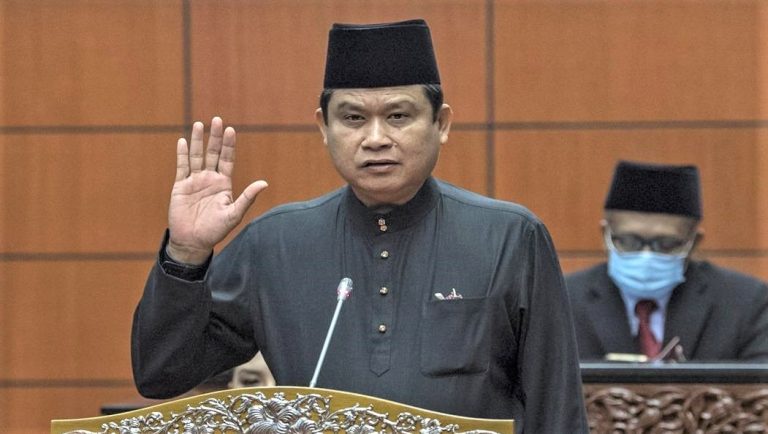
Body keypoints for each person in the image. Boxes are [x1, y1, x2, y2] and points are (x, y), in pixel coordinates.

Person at [131, 19, 588, 432]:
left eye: (398, 116)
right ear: (324, 128)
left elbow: (555, 406)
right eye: (353, 119)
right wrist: (186, 255)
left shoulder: (510, 237)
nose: (375, 139)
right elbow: (161, 374)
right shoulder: (275, 244)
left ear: (441, 123)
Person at [566, 160, 768, 362]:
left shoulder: (746, 301)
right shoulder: (564, 299)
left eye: (665, 244)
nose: (646, 255)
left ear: (693, 242)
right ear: (605, 235)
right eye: (629, 241)